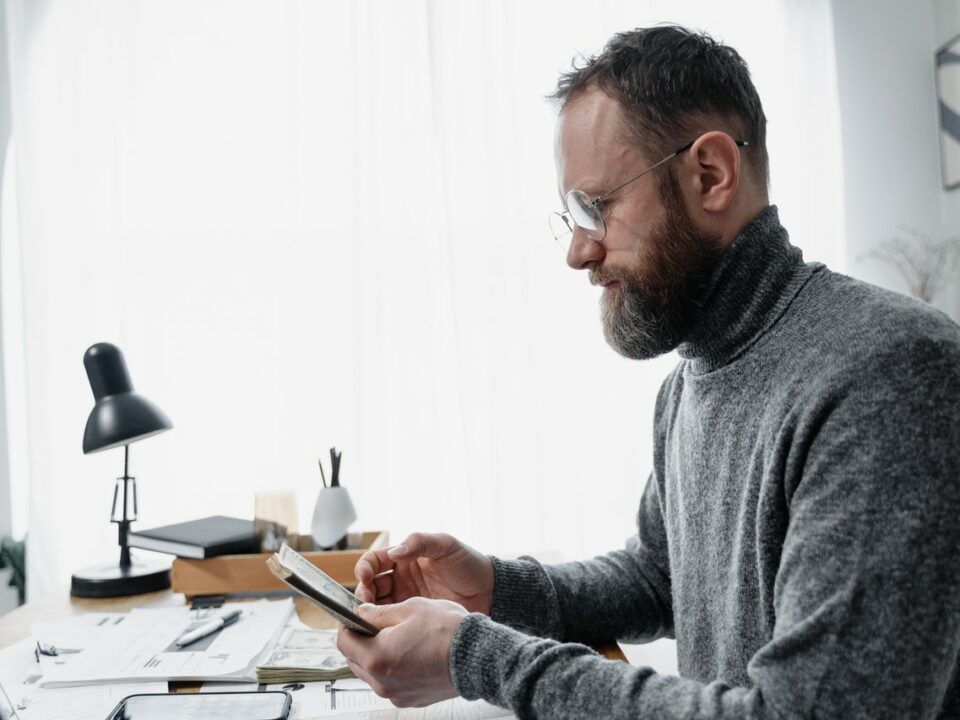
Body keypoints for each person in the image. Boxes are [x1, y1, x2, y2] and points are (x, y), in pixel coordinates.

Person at [336, 25, 960, 719]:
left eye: (596, 206)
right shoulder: (689, 382)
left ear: (710, 175)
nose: (578, 250)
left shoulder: (891, 375)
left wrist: (478, 656)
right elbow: (662, 575)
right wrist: (495, 589)